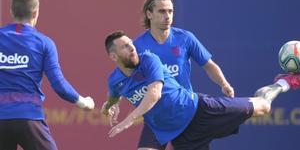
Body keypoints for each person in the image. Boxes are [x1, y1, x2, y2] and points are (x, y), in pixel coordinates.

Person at [101, 31, 289, 150]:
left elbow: (154, 93)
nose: (132, 48)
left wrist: (129, 119)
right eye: (125, 47)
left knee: (264, 107)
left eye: (131, 43)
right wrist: (110, 105)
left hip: (199, 111)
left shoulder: (149, 60)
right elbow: (113, 94)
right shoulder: (115, 81)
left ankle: (283, 83)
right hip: (178, 134)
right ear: (113, 56)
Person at [0, 0, 95, 150]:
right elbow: (58, 84)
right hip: (29, 118)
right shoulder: (44, 43)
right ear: (36, 13)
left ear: (11, 11)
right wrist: (83, 102)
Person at [134, 0, 234, 97]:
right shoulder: (137, 46)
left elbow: (209, 65)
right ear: (149, 14)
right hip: (155, 108)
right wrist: (115, 103)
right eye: (162, 11)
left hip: (185, 104)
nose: (167, 16)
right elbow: (126, 76)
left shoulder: (185, 38)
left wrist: (224, 84)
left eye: (170, 11)